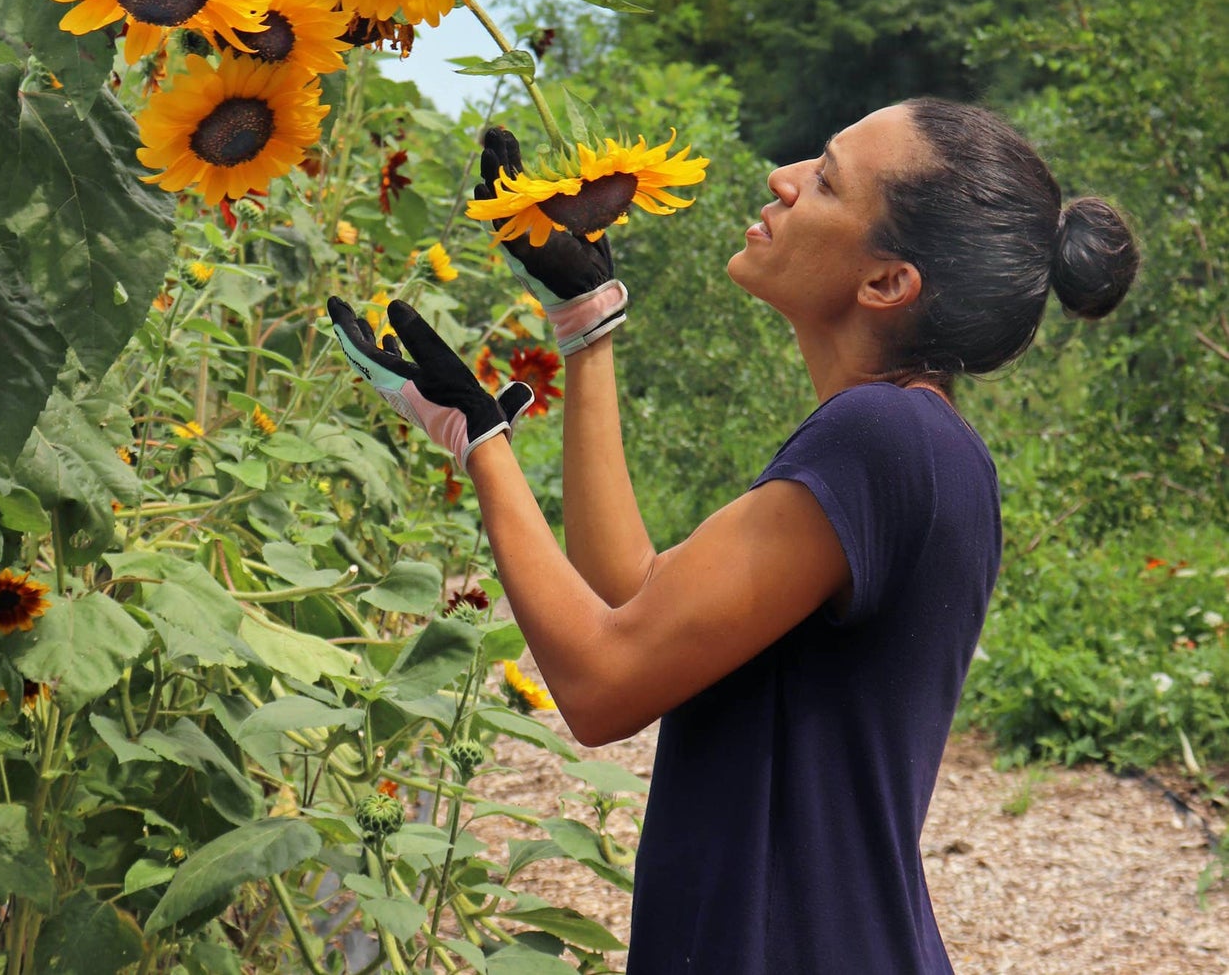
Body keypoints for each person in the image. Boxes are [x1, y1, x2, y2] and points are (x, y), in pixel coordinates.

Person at [328, 97, 1140, 974]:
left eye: (824, 180)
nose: (780, 179)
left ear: (884, 282)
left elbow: (602, 684)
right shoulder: (920, 444)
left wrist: (480, 442)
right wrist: (584, 322)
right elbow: (635, 593)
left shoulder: (880, 438)